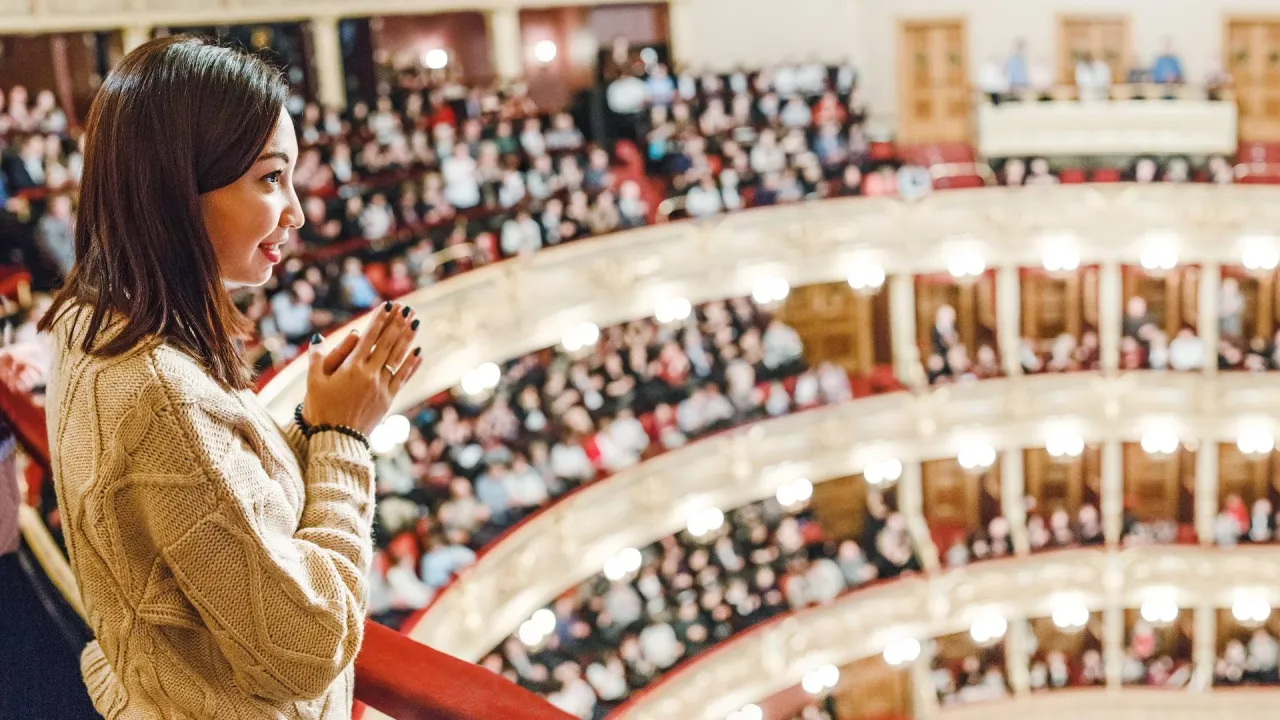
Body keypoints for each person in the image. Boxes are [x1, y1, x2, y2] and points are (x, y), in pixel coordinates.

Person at [35, 37, 573, 720]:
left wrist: (311, 424)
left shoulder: (95, 322)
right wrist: (343, 439)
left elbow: (207, 512)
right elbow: (306, 646)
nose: (297, 210)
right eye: (270, 179)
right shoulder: (160, 392)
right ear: (176, 189)